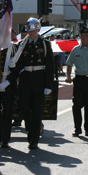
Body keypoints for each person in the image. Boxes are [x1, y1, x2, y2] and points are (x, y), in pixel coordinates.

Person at [7, 17, 55, 150]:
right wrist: (13, 66)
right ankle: (30, 131)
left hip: (39, 80)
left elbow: (50, 65)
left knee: (37, 111)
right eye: (29, 31)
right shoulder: (23, 44)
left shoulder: (44, 44)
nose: (31, 33)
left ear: (38, 30)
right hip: (26, 80)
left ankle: (34, 139)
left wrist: (48, 85)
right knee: (24, 108)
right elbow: (19, 64)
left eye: (33, 31)